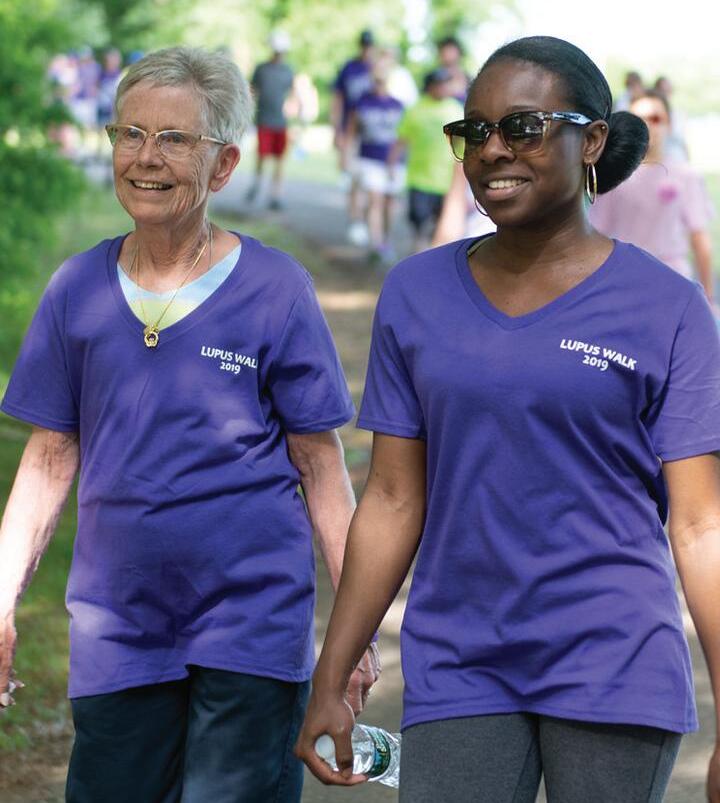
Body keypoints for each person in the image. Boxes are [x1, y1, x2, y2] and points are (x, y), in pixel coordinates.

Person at [295, 35, 720, 802]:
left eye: (524, 127)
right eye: (475, 130)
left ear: (592, 139)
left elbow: (699, 525)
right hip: (460, 658)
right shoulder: (416, 293)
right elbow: (392, 498)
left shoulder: (669, 307)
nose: (493, 149)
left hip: (615, 660)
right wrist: (333, 672)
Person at [0, 46, 379, 803]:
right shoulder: (77, 289)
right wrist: (2, 601)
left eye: (174, 139)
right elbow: (46, 460)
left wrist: (355, 631)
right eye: (130, 133)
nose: (146, 157)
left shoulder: (275, 288)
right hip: (117, 624)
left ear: (225, 164)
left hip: (251, 625)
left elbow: (321, 464)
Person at [590, 89, 715, 304]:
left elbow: (700, 238)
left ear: (669, 123)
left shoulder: (686, 176)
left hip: (673, 284)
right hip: (624, 284)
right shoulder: (613, 176)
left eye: (655, 118)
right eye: (640, 119)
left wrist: (709, 298)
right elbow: (596, 234)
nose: (648, 126)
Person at [388, 68, 463, 251]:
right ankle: (419, 254)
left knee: (440, 226)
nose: (443, 88)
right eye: (439, 84)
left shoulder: (456, 109)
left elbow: (463, 145)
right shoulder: (415, 109)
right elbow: (402, 139)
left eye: (445, 84)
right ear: (430, 86)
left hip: (445, 181)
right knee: (418, 222)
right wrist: (392, 163)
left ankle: (431, 254)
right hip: (419, 179)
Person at [347, 55, 405, 266]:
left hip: (393, 162)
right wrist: (347, 156)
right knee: (375, 200)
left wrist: (396, 161)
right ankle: (376, 244)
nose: (379, 83)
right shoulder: (362, 102)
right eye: (376, 79)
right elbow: (352, 131)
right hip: (369, 159)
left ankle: (385, 241)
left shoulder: (398, 105)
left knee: (390, 204)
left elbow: (403, 137)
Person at [331, 29, 376, 245]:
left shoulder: (377, 69)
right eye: (364, 45)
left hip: (370, 135)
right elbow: (338, 99)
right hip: (350, 131)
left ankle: (366, 221)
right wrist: (336, 129)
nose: (366, 49)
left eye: (369, 46)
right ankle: (356, 220)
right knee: (353, 177)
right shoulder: (349, 68)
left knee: (370, 182)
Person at [245, 30, 295, 210]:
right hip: (264, 120)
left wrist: (292, 109)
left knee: (280, 159)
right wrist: (248, 113)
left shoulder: (288, 71)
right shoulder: (262, 69)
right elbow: (252, 91)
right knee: (261, 156)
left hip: (281, 122)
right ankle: (256, 185)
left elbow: (292, 94)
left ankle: (276, 194)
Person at [436, 35, 471, 102]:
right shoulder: (435, 78)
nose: (447, 53)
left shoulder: (468, 78)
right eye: (444, 51)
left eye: (450, 50)